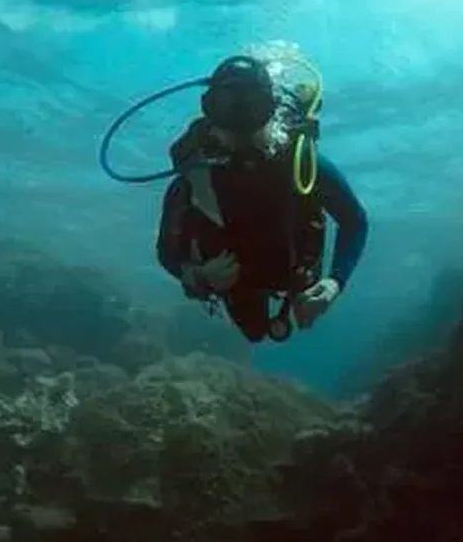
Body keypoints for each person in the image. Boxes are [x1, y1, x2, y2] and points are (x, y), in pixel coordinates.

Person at [154, 54, 368, 342]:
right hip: (235, 283)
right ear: (209, 111)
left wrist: (334, 281)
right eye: (227, 109)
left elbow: (354, 221)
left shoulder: (302, 164)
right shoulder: (195, 175)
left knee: (262, 326)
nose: (240, 128)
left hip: (293, 274)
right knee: (253, 333)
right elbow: (167, 251)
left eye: (253, 108)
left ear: (271, 109)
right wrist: (197, 276)